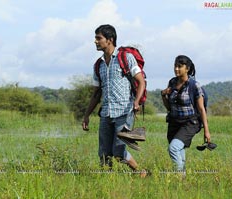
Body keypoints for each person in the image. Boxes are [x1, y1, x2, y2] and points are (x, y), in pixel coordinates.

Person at [82, 24, 146, 171]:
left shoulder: (125, 58)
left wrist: (136, 102)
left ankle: (140, 171)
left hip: (124, 112)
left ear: (110, 40)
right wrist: (86, 115)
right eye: (96, 38)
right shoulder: (98, 65)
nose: (95, 41)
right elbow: (96, 93)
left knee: (118, 151)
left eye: (99, 38)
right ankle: (106, 181)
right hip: (106, 114)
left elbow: (140, 81)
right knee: (104, 153)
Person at [161, 55, 211, 172]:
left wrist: (206, 131)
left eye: (180, 66)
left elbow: (201, 109)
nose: (176, 69)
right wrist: (164, 95)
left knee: (173, 148)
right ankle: (183, 179)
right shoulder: (172, 82)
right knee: (179, 150)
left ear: (187, 68)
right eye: (175, 66)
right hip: (174, 122)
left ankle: (178, 176)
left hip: (189, 123)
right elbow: (169, 107)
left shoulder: (194, 85)